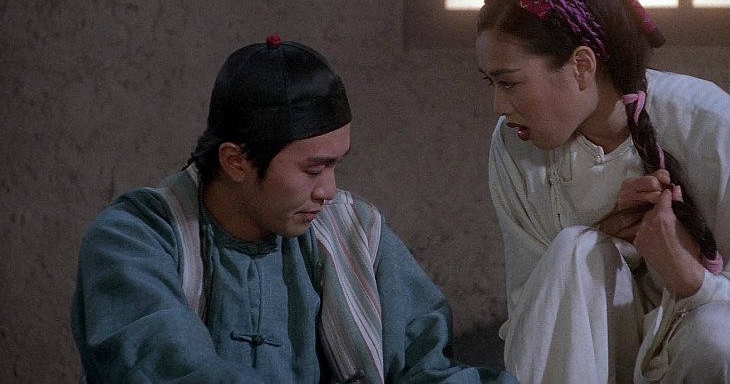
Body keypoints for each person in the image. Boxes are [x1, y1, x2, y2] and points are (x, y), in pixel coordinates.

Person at [475, 0, 730, 383]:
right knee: (574, 252)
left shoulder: (712, 127)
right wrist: (605, 239)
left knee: (715, 340)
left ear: (582, 66)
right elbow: (534, 318)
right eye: (491, 83)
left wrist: (687, 275)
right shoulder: (513, 147)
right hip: (616, 359)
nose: (499, 107)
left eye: (509, 82)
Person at [71, 35, 518, 383]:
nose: (329, 191)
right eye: (313, 169)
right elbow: (166, 367)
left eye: (336, 165)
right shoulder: (135, 239)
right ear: (236, 161)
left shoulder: (357, 234)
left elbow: (426, 370)